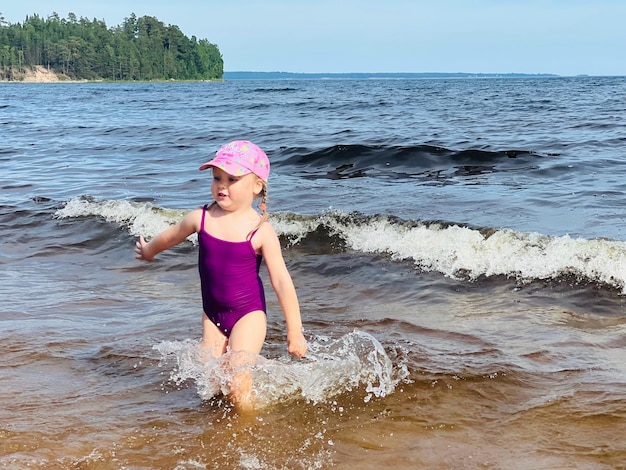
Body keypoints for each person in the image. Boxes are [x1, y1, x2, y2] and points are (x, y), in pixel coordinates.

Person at [135, 140, 307, 408]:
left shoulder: (260, 231)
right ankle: (220, 432)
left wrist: (294, 331)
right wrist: (149, 251)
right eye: (217, 177)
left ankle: (248, 426)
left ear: (256, 186)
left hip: (248, 314)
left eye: (232, 179)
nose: (222, 185)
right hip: (212, 314)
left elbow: (281, 280)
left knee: (237, 378)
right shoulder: (201, 218)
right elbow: (171, 235)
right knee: (211, 382)